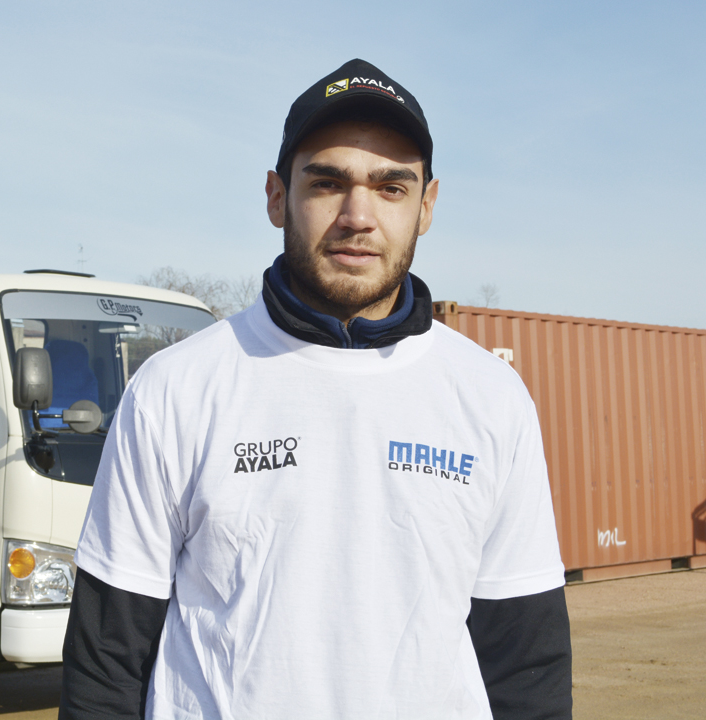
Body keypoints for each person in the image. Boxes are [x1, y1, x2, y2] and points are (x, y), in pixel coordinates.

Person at [60, 59, 572, 719]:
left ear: (427, 206)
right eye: (328, 183)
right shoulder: (175, 389)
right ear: (277, 197)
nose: (358, 216)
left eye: (391, 187)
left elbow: (526, 664)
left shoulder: (491, 397)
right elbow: (106, 661)